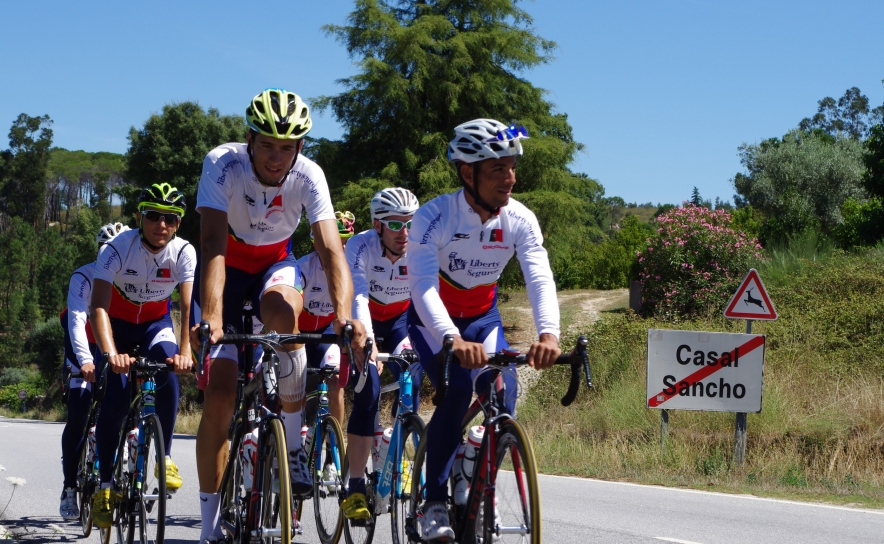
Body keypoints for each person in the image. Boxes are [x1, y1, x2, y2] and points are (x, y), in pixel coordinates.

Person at [190, 88, 369, 544]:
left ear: (300, 148)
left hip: (275, 264)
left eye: (286, 147)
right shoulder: (222, 163)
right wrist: (211, 317)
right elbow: (212, 243)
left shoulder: (309, 175)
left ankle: (292, 449)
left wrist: (344, 317)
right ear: (249, 138)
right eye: (267, 145)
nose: (276, 157)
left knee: (284, 313)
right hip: (225, 271)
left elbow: (331, 251)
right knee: (222, 398)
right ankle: (209, 527)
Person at [406, 119, 562, 540]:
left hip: (482, 317)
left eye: (512, 167)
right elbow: (421, 287)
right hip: (431, 320)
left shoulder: (519, 219)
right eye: (498, 169)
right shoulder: (433, 216)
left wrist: (549, 333)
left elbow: (539, 277)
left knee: (503, 393)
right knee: (458, 391)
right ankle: (434, 501)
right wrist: (450, 338)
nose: (509, 178)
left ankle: (476, 472)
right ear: (466, 172)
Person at [89, 184, 195, 528]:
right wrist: (110, 353)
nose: (160, 225)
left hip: (154, 322)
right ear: (139, 217)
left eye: (169, 219)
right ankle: (105, 487)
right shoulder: (117, 248)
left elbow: (188, 306)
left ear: (178, 224)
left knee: (167, 367)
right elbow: (98, 307)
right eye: (153, 216)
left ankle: (163, 458)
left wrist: (186, 352)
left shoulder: (183, 252)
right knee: (117, 398)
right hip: (117, 324)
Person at [340, 187, 421, 521]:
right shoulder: (359, 245)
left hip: (401, 320)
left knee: (412, 375)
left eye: (409, 223)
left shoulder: (419, 245)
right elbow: (357, 295)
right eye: (395, 224)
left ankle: (395, 447)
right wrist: (368, 343)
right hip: (367, 317)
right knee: (369, 388)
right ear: (377, 225)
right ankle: (355, 484)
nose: (404, 232)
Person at [58, 222, 129, 520]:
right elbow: (76, 322)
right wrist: (85, 362)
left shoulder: (130, 276)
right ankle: (70, 486)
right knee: (79, 408)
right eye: (104, 251)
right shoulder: (84, 276)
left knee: (124, 401)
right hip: (81, 345)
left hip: (111, 343)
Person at [297, 211, 356, 427]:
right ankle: (292, 436)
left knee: (336, 383)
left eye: (345, 243)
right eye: (333, 242)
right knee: (295, 386)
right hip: (299, 331)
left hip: (326, 331)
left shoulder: (351, 268)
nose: (339, 249)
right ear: (317, 244)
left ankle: (334, 443)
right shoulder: (304, 267)